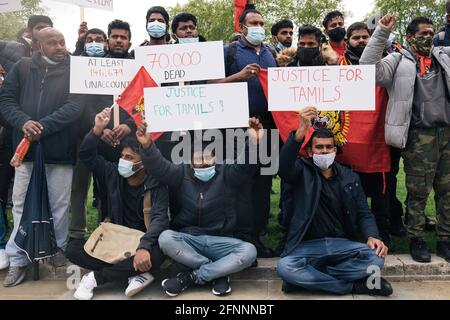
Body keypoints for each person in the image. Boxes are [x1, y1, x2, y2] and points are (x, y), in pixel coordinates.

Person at [134, 118, 265, 297]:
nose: (202, 163)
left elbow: (246, 166)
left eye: (207, 157)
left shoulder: (226, 172)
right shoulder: (181, 173)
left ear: (216, 158)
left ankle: (191, 277)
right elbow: (159, 167)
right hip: (189, 240)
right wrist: (148, 146)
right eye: (197, 158)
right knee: (165, 238)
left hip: (220, 240)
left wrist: (254, 141)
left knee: (249, 251)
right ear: (189, 160)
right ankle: (218, 273)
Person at [360, 15, 450, 263]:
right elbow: (368, 69)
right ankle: (416, 239)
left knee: (447, 191)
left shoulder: (443, 56)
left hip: (447, 134)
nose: (428, 37)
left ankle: (445, 239)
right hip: (419, 135)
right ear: (409, 37)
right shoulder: (398, 60)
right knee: (418, 191)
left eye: (431, 33)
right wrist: (381, 32)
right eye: (422, 34)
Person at [277, 107, 393, 296]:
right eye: (319, 147)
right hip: (308, 245)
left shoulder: (349, 176)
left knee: (376, 259)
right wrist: (301, 130)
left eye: (329, 147)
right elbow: (283, 167)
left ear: (335, 149)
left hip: (343, 244)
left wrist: (373, 236)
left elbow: (364, 212)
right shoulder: (300, 172)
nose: (324, 151)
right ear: (309, 151)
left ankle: (307, 280)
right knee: (284, 267)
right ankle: (353, 286)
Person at [0, 28, 83, 287]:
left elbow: (75, 106)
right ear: (37, 45)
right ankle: (18, 260)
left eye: (62, 42)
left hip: (60, 151)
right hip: (25, 151)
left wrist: (41, 126)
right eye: (53, 43)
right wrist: (24, 122)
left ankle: (56, 249)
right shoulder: (23, 67)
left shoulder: (74, 69)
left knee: (59, 205)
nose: (60, 47)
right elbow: (6, 100)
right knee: (21, 204)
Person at [67, 108, 169, 300]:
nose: (123, 161)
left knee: (160, 252)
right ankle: (134, 272)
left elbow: (160, 219)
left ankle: (95, 278)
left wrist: (144, 247)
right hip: (116, 240)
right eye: (122, 156)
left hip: (143, 242)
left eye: (130, 158)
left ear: (143, 163)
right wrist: (97, 129)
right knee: (72, 250)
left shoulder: (156, 182)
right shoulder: (112, 172)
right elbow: (87, 155)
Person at [212, 8, 277, 258]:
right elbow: (209, 86)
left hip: (267, 127)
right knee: (241, 183)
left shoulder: (272, 52)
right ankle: (241, 235)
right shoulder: (227, 52)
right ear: (241, 28)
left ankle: (258, 235)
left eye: (262, 22)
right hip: (236, 127)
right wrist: (239, 76)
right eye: (254, 23)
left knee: (263, 183)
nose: (259, 27)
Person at [69, 19, 136, 241]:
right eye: (114, 36)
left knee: (132, 187)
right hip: (103, 140)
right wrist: (100, 128)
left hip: (131, 141)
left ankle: (134, 232)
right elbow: (84, 103)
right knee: (105, 188)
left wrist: (130, 125)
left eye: (123, 37)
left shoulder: (138, 66)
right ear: (109, 41)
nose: (118, 40)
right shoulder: (93, 67)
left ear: (129, 41)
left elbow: (146, 100)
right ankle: (105, 234)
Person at [336, 22, 395, 251]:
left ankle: (383, 234)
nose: (361, 41)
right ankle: (351, 234)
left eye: (365, 37)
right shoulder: (336, 68)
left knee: (381, 196)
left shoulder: (385, 66)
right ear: (346, 42)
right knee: (348, 195)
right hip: (346, 145)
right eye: (356, 38)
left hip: (377, 142)